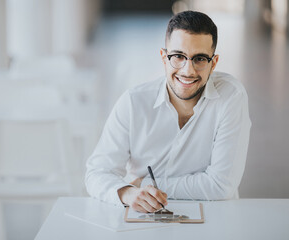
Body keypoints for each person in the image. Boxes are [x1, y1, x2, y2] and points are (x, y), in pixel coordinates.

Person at [85, 10, 251, 213]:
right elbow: (97, 173)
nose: (188, 70)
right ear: (164, 57)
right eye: (178, 56)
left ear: (213, 63)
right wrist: (128, 193)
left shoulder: (230, 97)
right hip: (144, 218)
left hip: (215, 216)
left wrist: (143, 184)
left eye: (199, 59)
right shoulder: (133, 102)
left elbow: (221, 186)